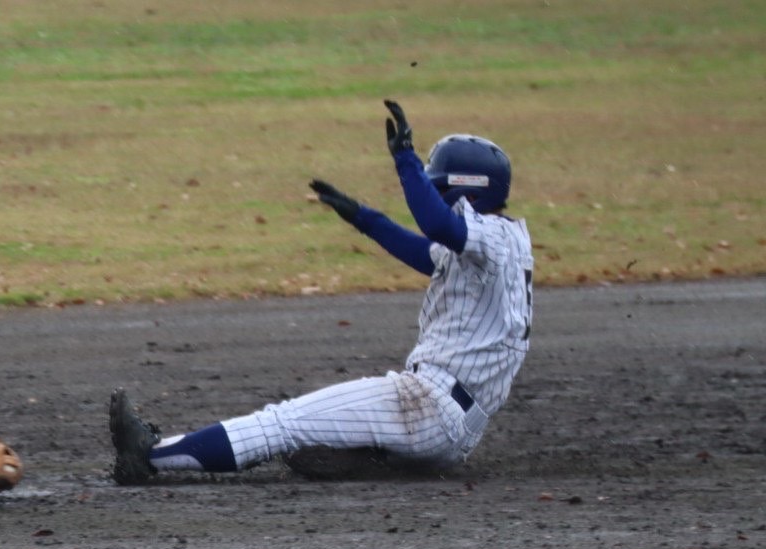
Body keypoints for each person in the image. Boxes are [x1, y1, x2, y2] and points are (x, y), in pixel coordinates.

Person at [111, 100, 533, 483]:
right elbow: (426, 253)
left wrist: (405, 159)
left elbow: (436, 224)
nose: (433, 195)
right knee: (311, 431)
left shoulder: (490, 238)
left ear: (466, 189)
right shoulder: (501, 245)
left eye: (438, 188)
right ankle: (367, 454)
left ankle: (150, 456)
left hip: (430, 408)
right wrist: (363, 218)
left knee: (280, 422)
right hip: (452, 426)